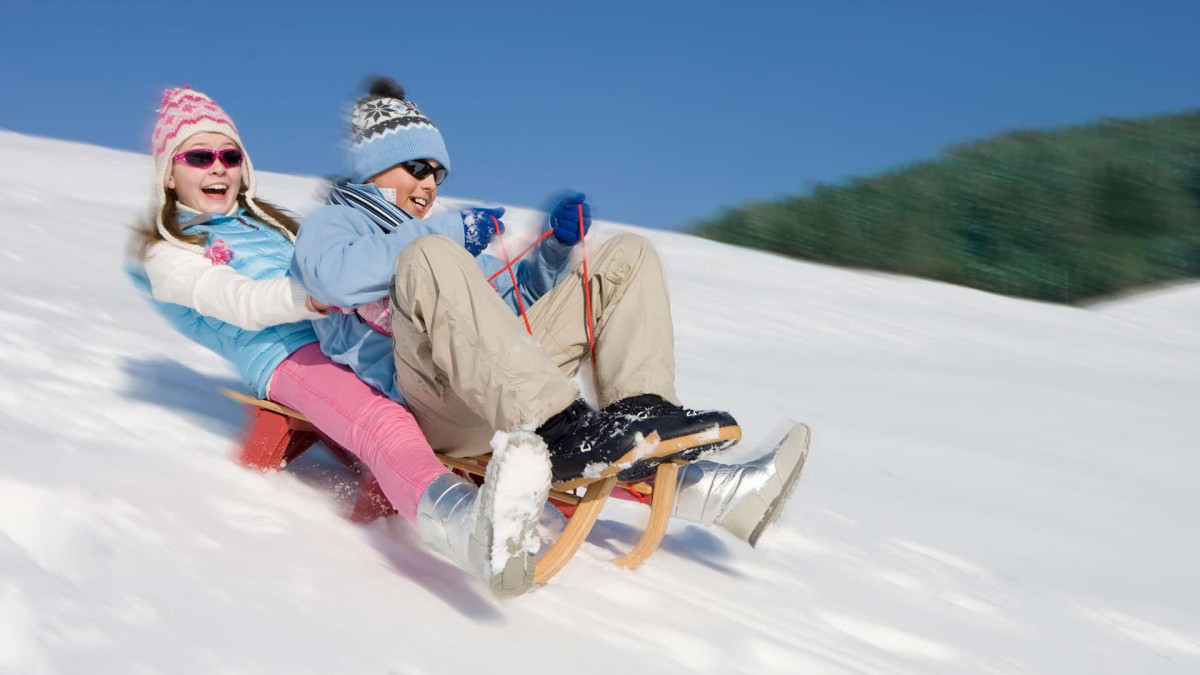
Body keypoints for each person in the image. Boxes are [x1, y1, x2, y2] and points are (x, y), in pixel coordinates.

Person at [293, 77, 808, 548]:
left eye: (438, 172)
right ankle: (562, 430)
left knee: (627, 255)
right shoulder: (336, 225)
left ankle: (640, 410)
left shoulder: (438, 235)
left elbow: (509, 306)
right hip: (435, 404)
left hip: (503, 387)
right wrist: (446, 235)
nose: (431, 184)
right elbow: (331, 279)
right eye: (418, 167)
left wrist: (556, 252)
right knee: (428, 257)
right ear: (373, 168)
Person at [127, 87, 551, 597]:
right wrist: (316, 295)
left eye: (229, 155)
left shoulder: (274, 226)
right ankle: (463, 525)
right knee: (382, 419)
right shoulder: (169, 255)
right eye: (198, 156)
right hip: (286, 355)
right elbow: (238, 301)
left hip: (346, 338)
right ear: (169, 175)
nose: (217, 167)